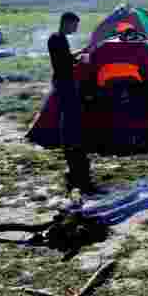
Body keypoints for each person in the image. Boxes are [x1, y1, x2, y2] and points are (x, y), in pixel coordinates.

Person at [48, 12, 99, 194]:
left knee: (69, 114)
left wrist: (80, 53)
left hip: (65, 81)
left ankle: (70, 141)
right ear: (67, 23)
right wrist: (80, 59)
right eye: (74, 25)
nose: (75, 29)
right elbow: (63, 63)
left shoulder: (59, 38)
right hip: (64, 82)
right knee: (69, 114)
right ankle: (70, 142)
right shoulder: (56, 39)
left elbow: (66, 59)